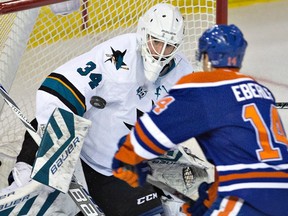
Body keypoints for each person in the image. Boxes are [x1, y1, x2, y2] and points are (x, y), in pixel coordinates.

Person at [10, 3, 196, 215]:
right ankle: (26, 174)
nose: (160, 53)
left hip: (125, 167)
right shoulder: (119, 54)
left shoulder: (183, 73)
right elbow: (57, 89)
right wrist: (57, 149)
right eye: (156, 42)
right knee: (54, 118)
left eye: (168, 46)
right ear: (143, 34)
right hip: (85, 154)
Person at [111, 24, 288, 216]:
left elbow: (156, 129)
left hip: (246, 198)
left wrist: (127, 156)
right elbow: (252, 161)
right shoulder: (262, 93)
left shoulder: (205, 86)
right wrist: (211, 198)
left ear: (206, 57)